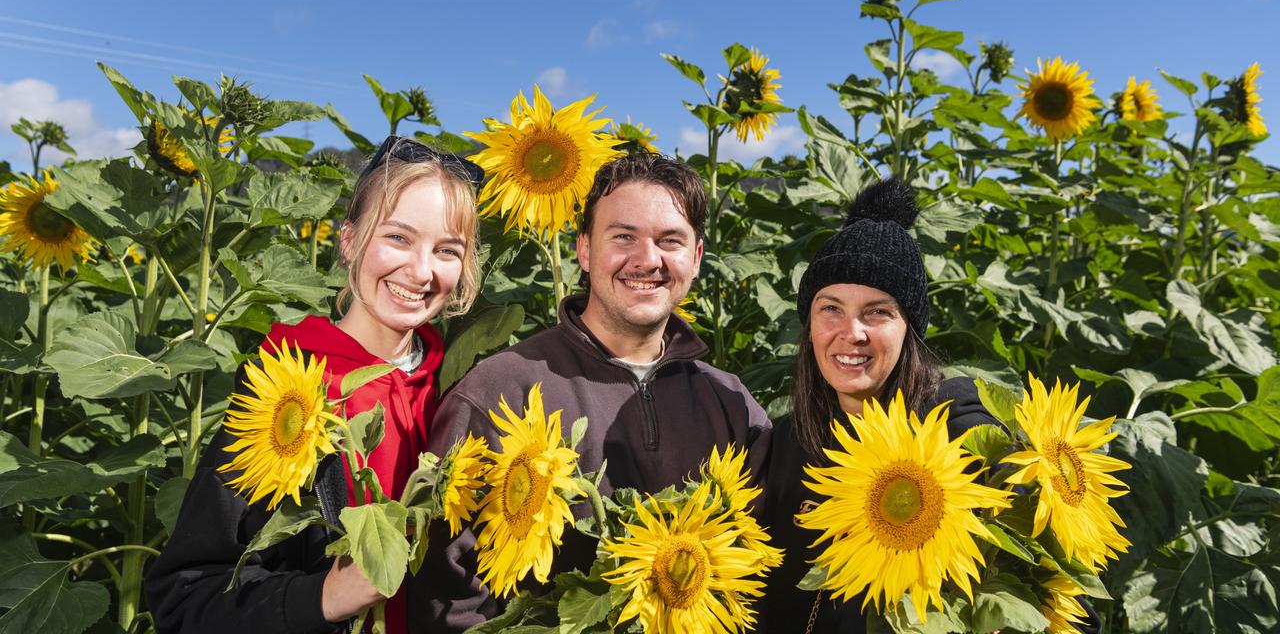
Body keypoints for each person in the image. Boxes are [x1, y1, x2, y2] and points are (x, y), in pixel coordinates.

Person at [411, 151, 772, 632]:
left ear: (697, 257)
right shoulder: (498, 391)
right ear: (583, 250)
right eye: (623, 237)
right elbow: (444, 596)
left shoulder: (731, 403)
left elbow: (765, 565)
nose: (647, 259)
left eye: (670, 241)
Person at [145, 136, 483, 634]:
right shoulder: (286, 390)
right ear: (349, 240)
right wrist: (320, 598)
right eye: (397, 238)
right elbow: (185, 595)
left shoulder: (461, 388)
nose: (421, 270)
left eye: (447, 250)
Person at [758, 178, 1100, 634]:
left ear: (910, 330)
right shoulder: (787, 441)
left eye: (878, 311)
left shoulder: (962, 429)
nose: (851, 332)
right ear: (809, 323)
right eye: (830, 308)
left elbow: (1070, 609)